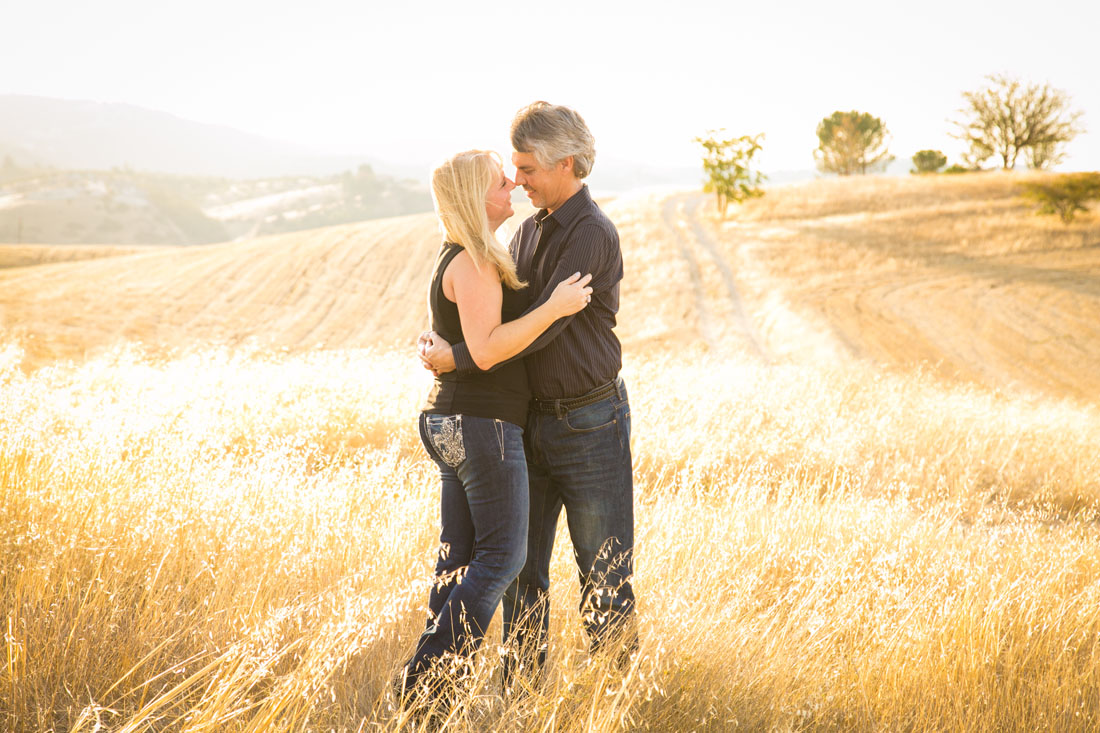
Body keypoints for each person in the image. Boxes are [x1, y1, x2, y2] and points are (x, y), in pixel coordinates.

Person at [419, 102, 638, 685]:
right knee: (521, 575)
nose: (517, 180)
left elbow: (545, 328)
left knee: (604, 572)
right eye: (511, 170)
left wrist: (457, 357)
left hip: (589, 423)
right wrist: (452, 342)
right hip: (523, 427)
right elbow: (495, 321)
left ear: (566, 164)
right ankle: (521, 697)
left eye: (527, 169)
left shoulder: (591, 234)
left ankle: (614, 699)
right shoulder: (524, 230)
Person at [401, 149, 593, 702]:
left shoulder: (459, 256)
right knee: (504, 558)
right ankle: (420, 682)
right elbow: (486, 350)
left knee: (458, 561)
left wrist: (449, 353)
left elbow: (468, 342)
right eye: (497, 180)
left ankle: (434, 703)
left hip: (450, 419)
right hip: (482, 423)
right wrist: (555, 307)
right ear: (472, 198)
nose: (511, 182)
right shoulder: (476, 260)